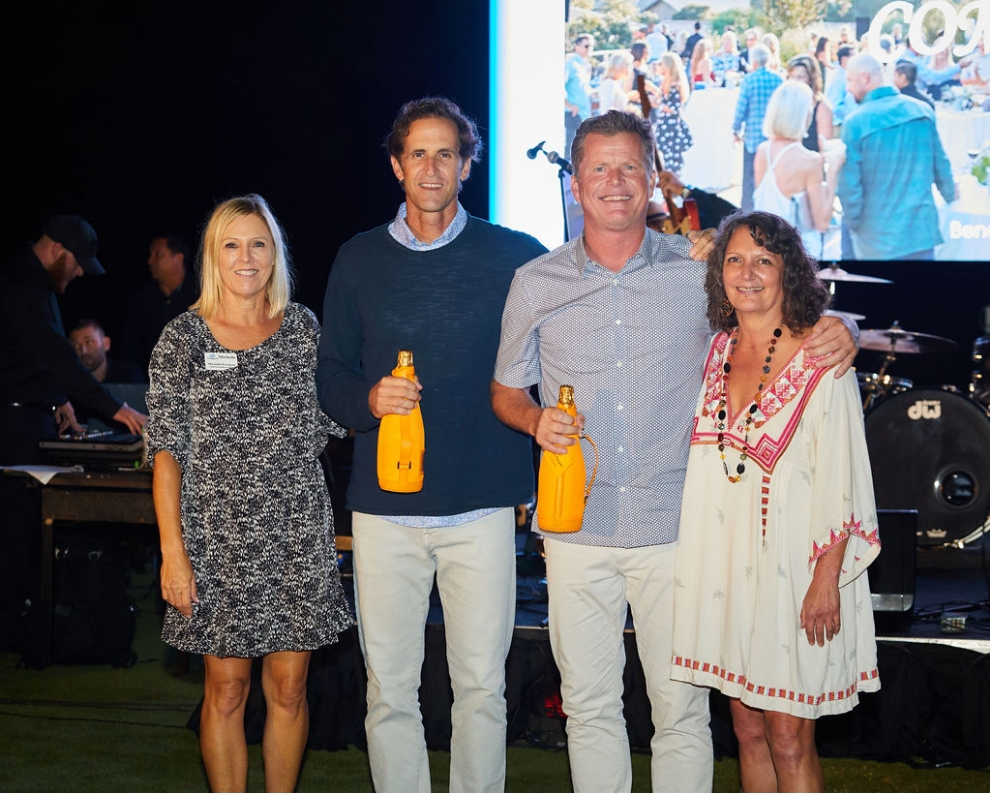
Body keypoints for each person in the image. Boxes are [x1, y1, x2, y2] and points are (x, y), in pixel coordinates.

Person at [490, 110, 857, 793]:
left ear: (653, 179)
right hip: (576, 526)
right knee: (591, 706)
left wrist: (843, 325)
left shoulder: (700, 271)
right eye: (599, 167)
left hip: (679, 528)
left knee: (682, 709)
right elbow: (505, 390)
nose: (616, 182)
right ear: (575, 184)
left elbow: (781, 305)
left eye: (630, 165)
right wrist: (535, 420)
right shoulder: (536, 281)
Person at [315, 96, 547, 793]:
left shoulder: (517, 256)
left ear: (468, 166)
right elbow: (331, 374)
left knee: (481, 688)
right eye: (418, 152)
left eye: (447, 152)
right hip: (385, 512)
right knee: (390, 690)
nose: (432, 165)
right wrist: (367, 400)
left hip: (480, 508)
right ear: (396, 165)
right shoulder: (358, 259)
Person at [147, 194, 352, 792]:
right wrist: (172, 552)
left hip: (294, 534)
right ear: (213, 255)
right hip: (216, 542)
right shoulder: (182, 338)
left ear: (275, 254)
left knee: (289, 689)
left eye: (258, 243)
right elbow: (165, 456)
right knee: (228, 688)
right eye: (232, 244)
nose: (246, 256)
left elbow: (339, 414)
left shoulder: (304, 330)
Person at [670, 210, 881, 792]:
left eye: (764, 259)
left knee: (790, 735)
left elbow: (843, 471)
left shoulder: (823, 357)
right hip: (729, 572)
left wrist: (826, 579)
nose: (748, 273)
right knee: (746, 730)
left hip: (796, 571)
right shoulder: (715, 351)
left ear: (789, 271)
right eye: (735, 259)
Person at [0, 215, 145, 652]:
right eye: (78, 263)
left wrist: (57, 399)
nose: (81, 272)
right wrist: (117, 410)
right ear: (58, 250)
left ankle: (26, 624)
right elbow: (57, 354)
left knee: (26, 532)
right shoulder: (17, 282)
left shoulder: (38, 285)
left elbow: (31, 360)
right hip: (13, 427)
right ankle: (12, 632)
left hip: (33, 415)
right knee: (13, 532)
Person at [838, 53, 956, 260]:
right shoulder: (922, 110)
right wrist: (950, 194)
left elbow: (850, 187)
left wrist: (853, 225)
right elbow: (941, 165)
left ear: (865, 78)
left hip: (876, 239)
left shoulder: (855, 123)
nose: (847, 88)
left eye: (849, 80)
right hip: (920, 233)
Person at [753, 80, 845, 260]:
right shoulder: (809, 160)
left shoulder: (763, 151)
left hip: (766, 251)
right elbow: (822, 222)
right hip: (801, 257)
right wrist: (833, 173)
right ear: (804, 115)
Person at [121, 234, 198, 376]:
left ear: (178, 259)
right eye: (150, 255)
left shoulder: (203, 295)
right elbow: (132, 348)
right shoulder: (141, 299)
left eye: (158, 255)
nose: (150, 261)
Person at [733, 44, 784, 212]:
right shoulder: (779, 79)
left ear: (753, 61)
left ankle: (748, 215)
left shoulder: (749, 80)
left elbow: (741, 108)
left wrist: (736, 129)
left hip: (753, 138)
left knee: (750, 179)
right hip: (774, 139)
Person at [68, 318, 144, 384]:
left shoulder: (129, 375)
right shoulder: (66, 380)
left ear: (106, 344)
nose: (83, 350)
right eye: (76, 345)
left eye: (89, 342)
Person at [654, 51, 694, 175]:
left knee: (672, 157)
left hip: (672, 126)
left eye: (661, 64)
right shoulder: (665, 83)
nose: (658, 66)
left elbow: (674, 107)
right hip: (665, 124)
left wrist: (658, 105)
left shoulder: (675, 85)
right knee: (666, 155)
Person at [787, 54, 834, 150]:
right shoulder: (786, 103)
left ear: (810, 79)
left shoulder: (822, 107)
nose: (795, 81)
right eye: (792, 76)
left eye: (800, 77)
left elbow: (825, 146)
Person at [564, 34, 596, 158]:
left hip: (584, 114)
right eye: (586, 46)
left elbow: (584, 88)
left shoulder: (586, 65)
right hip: (573, 114)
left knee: (583, 149)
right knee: (572, 149)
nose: (589, 49)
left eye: (591, 46)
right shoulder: (570, 63)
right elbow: (559, 84)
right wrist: (568, 105)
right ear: (576, 47)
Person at [825, 45, 855, 131]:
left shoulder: (846, 75)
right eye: (853, 56)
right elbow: (835, 106)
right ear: (844, 59)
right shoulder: (839, 79)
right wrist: (853, 113)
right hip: (839, 126)